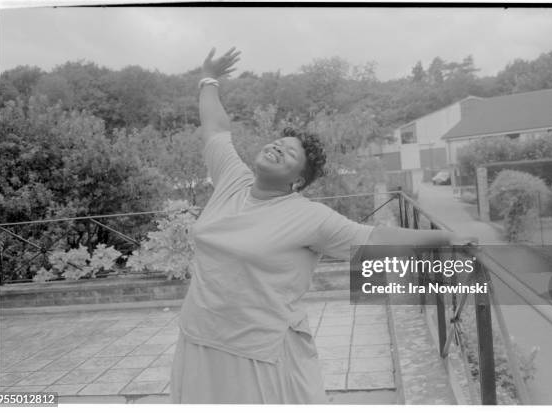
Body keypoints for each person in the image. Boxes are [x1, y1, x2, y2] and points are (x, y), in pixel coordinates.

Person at [170, 47, 475, 404]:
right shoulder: (231, 179)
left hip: (254, 353)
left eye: (290, 153)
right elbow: (216, 129)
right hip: (198, 338)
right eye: (278, 143)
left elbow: (376, 237)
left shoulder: (308, 216)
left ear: (298, 181)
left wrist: (448, 236)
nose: (278, 148)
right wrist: (208, 79)